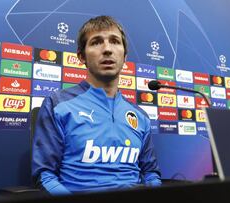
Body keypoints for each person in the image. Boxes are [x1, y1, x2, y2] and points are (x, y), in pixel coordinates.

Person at [31, 15, 162, 195]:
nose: (107, 49)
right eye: (96, 42)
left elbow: (151, 174)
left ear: (125, 56)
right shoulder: (58, 104)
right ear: (81, 56)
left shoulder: (140, 116)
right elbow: (45, 176)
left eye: (115, 41)